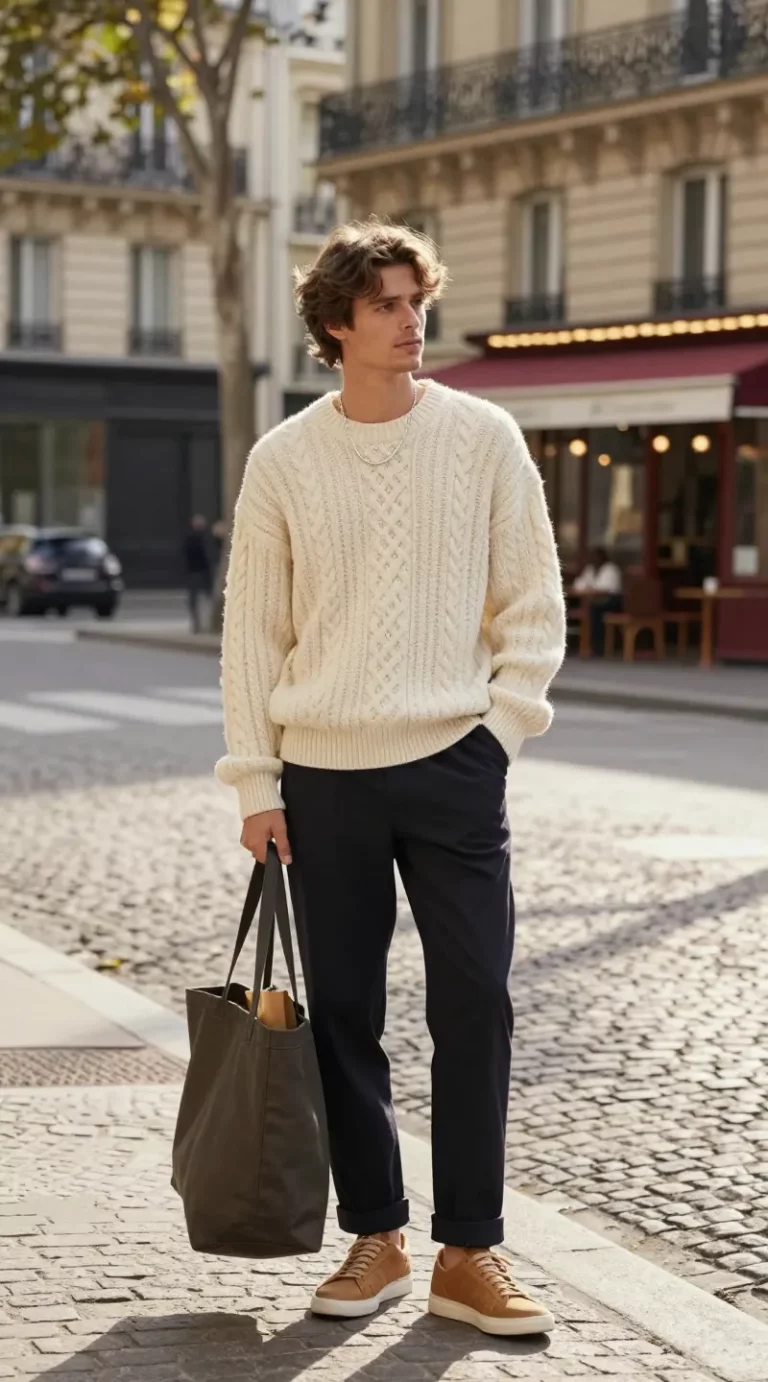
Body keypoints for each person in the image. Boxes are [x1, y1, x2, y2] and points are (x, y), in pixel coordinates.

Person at [216, 220, 565, 1336]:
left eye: (418, 300)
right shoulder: (283, 459)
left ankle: (472, 1249)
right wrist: (256, 784)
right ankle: (378, 1236)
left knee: (477, 1000)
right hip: (324, 778)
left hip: (455, 766)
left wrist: (498, 734)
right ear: (336, 323)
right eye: (386, 304)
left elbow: (533, 600)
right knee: (343, 1017)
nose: (412, 321)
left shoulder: (483, 435)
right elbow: (252, 634)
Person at [573, 546, 623, 656]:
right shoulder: (590, 569)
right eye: (592, 557)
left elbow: (604, 588)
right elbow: (579, 584)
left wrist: (589, 587)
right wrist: (588, 587)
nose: (593, 559)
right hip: (596, 600)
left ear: (603, 557)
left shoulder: (611, 569)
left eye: (596, 557)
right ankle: (585, 645)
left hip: (613, 601)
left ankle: (598, 647)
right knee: (589, 609)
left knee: (593, 611)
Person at [181, 515, 212, 634]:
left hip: (202, 572)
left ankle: (201, 624)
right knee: (194, 600)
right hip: (196, 572)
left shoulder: (206, 538)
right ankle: (197, 624)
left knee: (202, 599)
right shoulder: (192, 539)